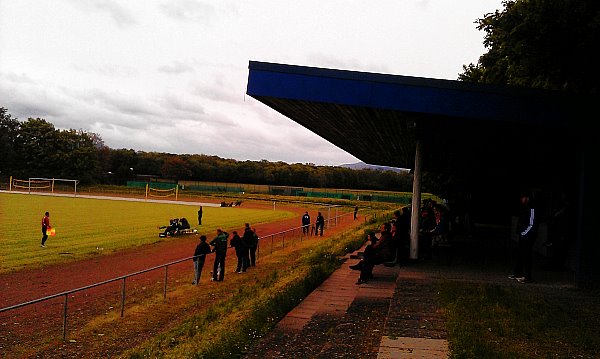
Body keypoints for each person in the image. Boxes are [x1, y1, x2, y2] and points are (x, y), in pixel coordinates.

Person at [509, 191, 537, 284]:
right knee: (520, 254)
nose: (521, 199)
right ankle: (518, 273)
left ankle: (527, 276)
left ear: (527, 198)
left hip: (528, 236)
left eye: (523, 197)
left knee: (526, 255)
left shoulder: (531, 208)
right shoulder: (525, 208)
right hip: (524, 235)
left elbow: (531, 224)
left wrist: (524, 233)